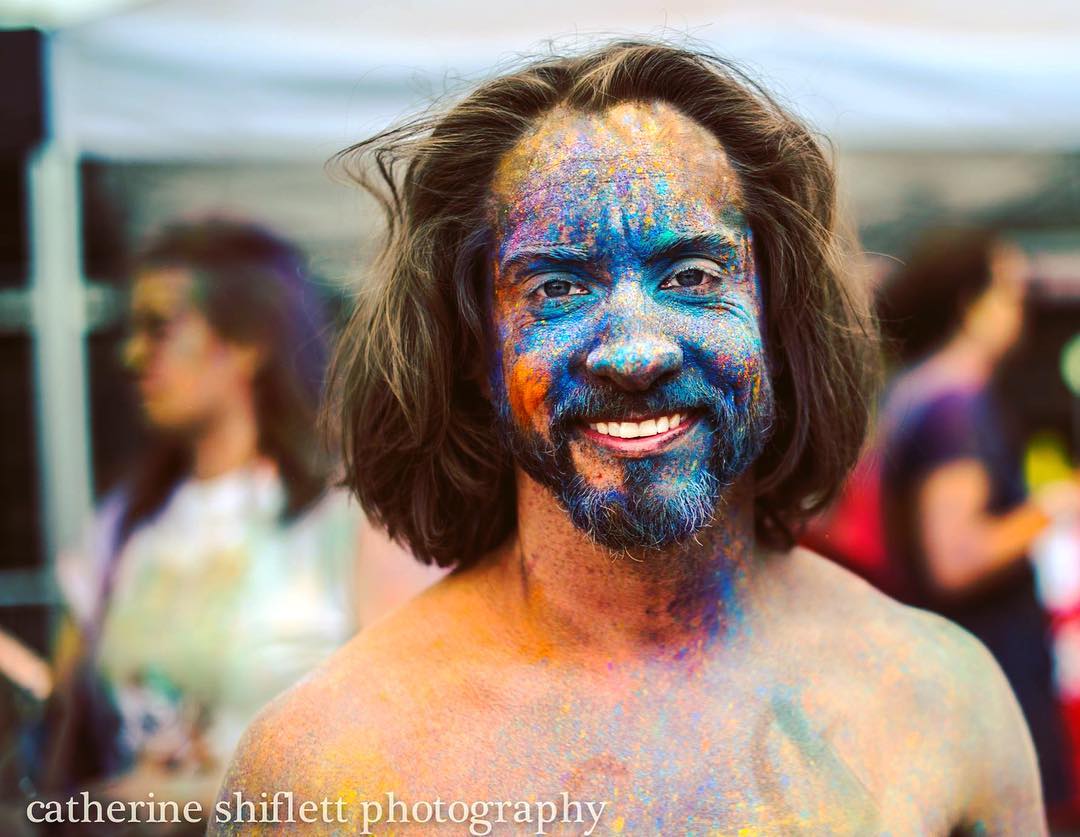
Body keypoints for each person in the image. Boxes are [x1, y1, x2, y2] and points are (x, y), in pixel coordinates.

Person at [216, 43, 1045, 834]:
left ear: (778, 320)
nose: (636, 351)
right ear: (472, 349)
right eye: (557, 284)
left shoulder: (941, 700)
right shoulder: (320, 762)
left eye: (692, 276)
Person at [40, 219, 438, 822]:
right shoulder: (123, 525)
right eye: (132, 329)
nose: (132, 355)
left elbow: (421, 742)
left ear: (248, 342)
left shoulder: (355, 519)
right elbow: (61, 730)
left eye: (160, 327)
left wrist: (201, 798)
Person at [876, 227, 1080, 810]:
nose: (1021, 310)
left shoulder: (914, 394)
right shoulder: (956, 405)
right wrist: (1051, 506)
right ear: (973, 306)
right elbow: (957, 560)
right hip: (984, 669)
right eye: (1011, 293)